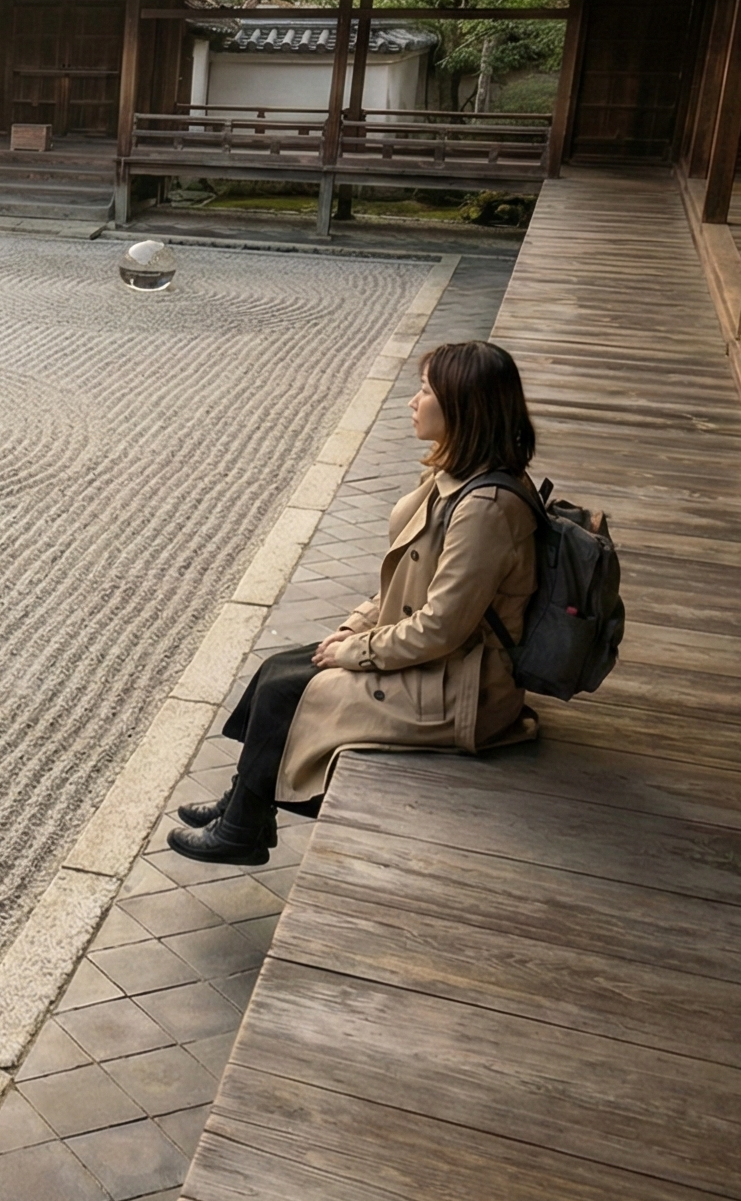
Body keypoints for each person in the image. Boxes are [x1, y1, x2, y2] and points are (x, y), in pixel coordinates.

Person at [166, 339, 544, 865]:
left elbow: (440, 627)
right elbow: (400, 587)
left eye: (426, 390)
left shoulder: (486, 508)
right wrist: (351, 631)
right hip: (439, 661)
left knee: (291, 693)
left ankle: (244, 826)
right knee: (279, 668)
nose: (413, 401)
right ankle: (242, 808)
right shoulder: (453, 478)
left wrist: (357, 653)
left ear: (462, 405)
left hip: (466, 687)